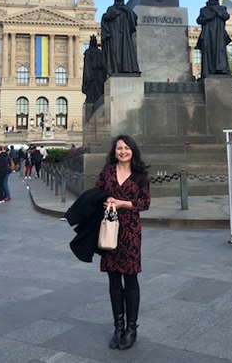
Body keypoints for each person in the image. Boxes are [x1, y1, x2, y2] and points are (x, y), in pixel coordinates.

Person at [95, 135, 151, 350]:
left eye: (126, 148)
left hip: (130, 231)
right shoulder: (107, 172)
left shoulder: (140, 175)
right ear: (114, 151)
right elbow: (96, 193)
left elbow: (145, 203)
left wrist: (122, 203)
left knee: (130, 278)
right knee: (113, 281)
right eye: (119, 148)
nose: (123, 151)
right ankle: (118, 327)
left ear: (133, 150)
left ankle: (131, 329)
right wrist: (105, 200)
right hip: (110, 229)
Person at [101, 0, 140, 76]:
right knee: (115, 53)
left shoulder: (127, 9)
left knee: (125, 52)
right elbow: (105, 19)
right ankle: (115, 69)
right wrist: (107, 17)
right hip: (114, 36)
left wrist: (127, 11)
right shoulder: (111, 9)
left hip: (124, 36)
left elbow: (134, 19)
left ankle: (127, 69)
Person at [196, 0, 231, 77]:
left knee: (219, 51)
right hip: (208, 33)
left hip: (218, 33)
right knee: (208, 51)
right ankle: (209, 70)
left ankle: (221, 69)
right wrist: (207, 18)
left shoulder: (222, 8)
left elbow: (226, 16)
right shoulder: (204, 10)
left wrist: (218, 12)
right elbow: (199, 20)